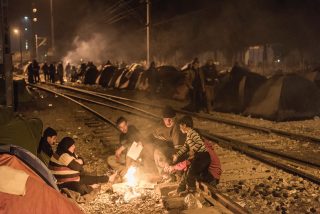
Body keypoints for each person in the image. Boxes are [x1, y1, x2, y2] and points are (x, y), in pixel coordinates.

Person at [49, 137, 116, 195]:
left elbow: (82, 160)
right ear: (67, 146)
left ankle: (108, 178)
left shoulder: (64, 153)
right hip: (63, 183)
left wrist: (79, 161)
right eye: (72, 146)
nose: (74, 147)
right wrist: (79, 161)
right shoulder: (63, 156)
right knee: (79, 187)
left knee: (88, 178)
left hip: (74, 178)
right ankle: (91, 187)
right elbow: (78, 167)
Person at [172, 115, 211, 196]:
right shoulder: (188, 135)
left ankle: (191, 191)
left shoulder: (193, 133)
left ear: (184, 125)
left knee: (191, 173)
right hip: (198, 156)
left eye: (180, 126)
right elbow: (185, 147)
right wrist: (177, 155)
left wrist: (193, 150)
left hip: (202, 156)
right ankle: (182, 189)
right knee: (187, 172)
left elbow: (199, 143)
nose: (180, 128)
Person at [151, 106, 186, 181]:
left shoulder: (177, 128)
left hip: (181, 153)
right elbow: (154, 135)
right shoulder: (162, 125)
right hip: (172, 151)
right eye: (166, 119)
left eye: (170, 119)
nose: (168, 122)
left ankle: (170, 174)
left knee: (158, 152)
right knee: (156, 150)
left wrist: (168, 162)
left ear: (175, 118)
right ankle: (166, 175)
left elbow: (178, 151)